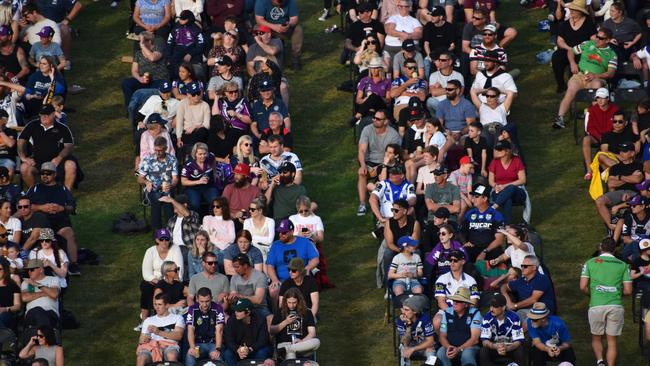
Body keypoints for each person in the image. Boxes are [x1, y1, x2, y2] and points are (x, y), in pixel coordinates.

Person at [580, 237, 632, 366]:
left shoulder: (590, 263)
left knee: (596, 338)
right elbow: (628, 291)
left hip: (596, 304)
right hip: (615, 305)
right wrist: (617, 293)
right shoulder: (623, 265)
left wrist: (592, 294)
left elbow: (582, 287)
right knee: (612, 341)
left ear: (600, 248)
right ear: (614, 250)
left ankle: (600, 361)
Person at [552, 28, 617, 129]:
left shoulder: (612, 54)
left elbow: (610, 73)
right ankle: (560, 119)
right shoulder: (587, 44)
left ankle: (597, 119)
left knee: (597, 87)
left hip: (596, 78)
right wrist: (572, 63)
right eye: (597, 36)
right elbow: (571, 51)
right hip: (580, 75)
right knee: (571, 90)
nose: (597, 39)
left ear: (608, 40)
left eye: (601, 38)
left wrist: (596, 76)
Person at [26, 161, 79, 275]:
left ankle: (73, 264)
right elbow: (26, 206)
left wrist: (62, 208)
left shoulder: (62, 189)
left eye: (48, 173)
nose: (45, 175)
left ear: (55, 174)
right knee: (36, 234)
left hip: (59, 219)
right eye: (42, 173)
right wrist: (42, 207)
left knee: (69, 234)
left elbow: (73, 207)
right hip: (40, 220)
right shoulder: (35, 188)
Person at [18, 104, 76, 190]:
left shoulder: (62, 128)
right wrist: (23, 157)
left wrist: (59, 158)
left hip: (57, 160)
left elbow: (69, 146)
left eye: (46, 115)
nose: (43, 117)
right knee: (24, 168)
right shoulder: (32, 125)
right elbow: (21, 141)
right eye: (41, 115)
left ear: (53, 114)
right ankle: (34, 192)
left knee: (71, 165)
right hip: (38, 161)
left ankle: (66, 195)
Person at [357, 109, 401, 216]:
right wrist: (363, 165)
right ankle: (362, 203)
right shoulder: (367, 130)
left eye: (378, 119)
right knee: (362, 173)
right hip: (369, 161)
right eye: (374, 118)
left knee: (380, 180)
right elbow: (361, 150)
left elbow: (393, 155)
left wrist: (381, 166)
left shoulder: (393, 135)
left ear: (385, 121)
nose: (374, 120)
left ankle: (377, 195)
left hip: (386, 162)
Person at [138, 228, 184, 324]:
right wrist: (155, 280)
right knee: (146, 286)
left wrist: (164, 280)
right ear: (157, 240)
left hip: (171, 279)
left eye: (166, 239)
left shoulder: (175, 249)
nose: (164, 242)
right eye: (161, 239)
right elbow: (146, 273)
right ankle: (144, 320)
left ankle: (160, 317)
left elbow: (179, 270)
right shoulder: (150, 251)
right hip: (155, 281)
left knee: (165, 287)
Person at [266, 219, 319, 299]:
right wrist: (274, 280)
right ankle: (277, 311)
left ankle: (305, 309)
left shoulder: (304, 242)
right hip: (282, 280)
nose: (280, 234)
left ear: (291, 232)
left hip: (300, 277)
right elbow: (270, 266)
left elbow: (315, 259)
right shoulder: (276, 245)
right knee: (273, 290)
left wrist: (307, 268)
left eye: (283, 233)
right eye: (279, 232)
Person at [552, 1, 597, 93]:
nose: (571, 11)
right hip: (567, 49)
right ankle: (561, 84)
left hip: (583, 51)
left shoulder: (589, 23)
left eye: (574, 9)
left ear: (581, 11)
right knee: (556, 57)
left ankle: (580, 84)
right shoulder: (565, 24)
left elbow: (593, 40)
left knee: (584, 60)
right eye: (571, 9)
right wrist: (569, 49)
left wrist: (583, 48)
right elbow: (559, 41)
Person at [137, 136, 178, 230]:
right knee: (156, 198)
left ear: (166, 149)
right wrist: (147, 182)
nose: (157, 153)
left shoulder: (172, 160)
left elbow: (175, 179)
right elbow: (139, 179)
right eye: (156, 150)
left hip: (167, 189)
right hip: (153, 189)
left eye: (160, 150)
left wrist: (170, 185)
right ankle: (157, 231)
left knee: (167, 200)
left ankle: (170, 231)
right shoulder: (148, 160)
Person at [502, 254, 556, 324]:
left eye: (525, 266)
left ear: (534, 268)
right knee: (510, 319)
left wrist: (515, 306)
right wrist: (507, 300)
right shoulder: (521, 281)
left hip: (541, 311)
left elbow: (533, 299)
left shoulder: (542, 279)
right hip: (524, 310)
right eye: (522, 266)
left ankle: (518, 333)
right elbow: (503, 287)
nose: (522, 268)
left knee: (528, 322)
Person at [121, 32, 169, 109]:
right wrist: (139, 78)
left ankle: (161, 110)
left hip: (158, 80)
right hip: (143, 80)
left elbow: (152, 58)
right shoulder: (138, 53)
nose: (138, 43)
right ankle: (131, 107)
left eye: (141, 41)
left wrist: (143, 45)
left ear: (149, 41)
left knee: (161, 88)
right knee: (126, 83)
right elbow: (134, 71)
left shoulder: (158, 48)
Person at [271, 288, 320, 360]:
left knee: (317, 342)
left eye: (294, 302)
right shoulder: (280, 311)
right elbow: (271, 330)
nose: (291, 305)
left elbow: (312, 333)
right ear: (285, 301)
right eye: (289, 302)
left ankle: (288, 349)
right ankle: (289, 350)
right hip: (285, 343)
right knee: (291, 354)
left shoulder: (307, 312)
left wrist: (302, 341)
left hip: (302, 345)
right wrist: (286, 322)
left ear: (299, 301)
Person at [436, 287, 482, 366]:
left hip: (469, 347)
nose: (454, 303)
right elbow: (442, 336)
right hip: (450, 346)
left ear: (466, 304)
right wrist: (448, 347)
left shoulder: (475, 313)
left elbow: (475, 339)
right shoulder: (447, 312)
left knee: (467, 354)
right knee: (440, 352)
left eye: (458, 301)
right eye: (454, 300)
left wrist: (459, 349)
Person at [136, 294, 184, 366]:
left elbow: (178, 335)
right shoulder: (148, 320)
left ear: (167, 305)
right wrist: (143, 339)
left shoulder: (177, 318)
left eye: (160, 304)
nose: (156, 307)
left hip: (169, 346)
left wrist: (158, 332)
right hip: (152, 347)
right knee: (141, 358)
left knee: (171, 355)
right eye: (155, 304)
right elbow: (141, 339)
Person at [461, 183, 505, 261]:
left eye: (476, 197)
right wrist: (465, 242)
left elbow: (499, 240)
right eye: (473, 196)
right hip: (472, 248)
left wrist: (485, 251)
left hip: (490, 249)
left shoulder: (496, 215)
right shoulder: (469, 214)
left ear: (485, 199)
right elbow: (462, 232)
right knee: (462, 252)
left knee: (497, 252)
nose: (473, 199)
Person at [254, 0, 303, 70]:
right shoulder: (261, 1)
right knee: (257, 29)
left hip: (284, 28)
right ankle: (260, 58)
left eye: (282, 2)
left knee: (298, 29)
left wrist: (289, 24)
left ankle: (295, 59)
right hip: (268, 27)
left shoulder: (290, 1)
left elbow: (294, 18)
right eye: (278, 2)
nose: (280, 5)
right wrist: (274, 27)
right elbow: (259, 20)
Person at [582, 88, 619, 180]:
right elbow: (589, 128)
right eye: (598, 98)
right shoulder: (592, 110)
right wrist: (600, 137)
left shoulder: (615, 110)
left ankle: (612, 168)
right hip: (597, 137)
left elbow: (617, 126)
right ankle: (589, 171)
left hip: (611, 137)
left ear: (608, 98)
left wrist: (606, 138)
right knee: (586, 139)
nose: (600, 100)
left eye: (602, 98)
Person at [479, 294, 525, 366]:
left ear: (503, 307)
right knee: (483, 351)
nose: (491, 309)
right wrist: (495, 346)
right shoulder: (487, 317)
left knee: (520, 350)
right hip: (494, 348)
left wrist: (507, 348)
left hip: (510, 348)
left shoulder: (514, 317)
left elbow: (518, 341)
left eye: (495, 307)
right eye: (491, 306)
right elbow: (484, 341)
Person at [223, 298, 271, 365]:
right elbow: (228, 339)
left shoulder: (260, 319)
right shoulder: (232, 320)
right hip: (239, 350)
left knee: (262, 352)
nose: (236, 312)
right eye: (235, 310)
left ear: (248, 312)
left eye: (239, 311)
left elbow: (263, 339)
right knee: (228, 354)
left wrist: (250, 349)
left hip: (255, 349)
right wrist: (238, 349)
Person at [488, 140, 526, 224]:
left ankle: (494, 206)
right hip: (498, 190)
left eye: (500, 149)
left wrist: (504, 186)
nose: (497, 151)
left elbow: (522, 180)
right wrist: (496, 186)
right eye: (496, 149)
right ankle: (507, 225)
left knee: (511, 187)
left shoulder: (516, 160)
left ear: (507, 151)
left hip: (516, 192)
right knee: (507, 200)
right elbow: (491, 181)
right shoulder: (494, 162)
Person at [185, 287, 225, 366]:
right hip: (198, 344)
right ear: (197, 299)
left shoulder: (218, 308)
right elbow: (190, 330)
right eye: (202, 301)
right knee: (190, 355)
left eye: (207, 301)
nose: (204, 304)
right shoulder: (192, 309)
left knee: (218, 359)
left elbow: (219, 330)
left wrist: (217, 349)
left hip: (213, 344)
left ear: (211, 298)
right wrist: (192, 347)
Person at [396, 295, 437, 366]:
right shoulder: (401, 320)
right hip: (410, 345)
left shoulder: (425, 318)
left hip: (424, 346)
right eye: (403, 309)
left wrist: (413, 349)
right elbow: (405, 342)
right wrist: (408, 325)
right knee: (403, 349)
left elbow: (430, 342)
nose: (403, 313)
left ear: (415, 311)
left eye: (407, 310)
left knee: (431, 350)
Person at [180, 143, 219, 212]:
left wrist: (215, 173)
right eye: (200, 154)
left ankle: (212, 219)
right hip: (193, 188)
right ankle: (195, 220)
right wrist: (199, 181)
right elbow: (183, 182)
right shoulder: (189, 164)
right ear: (195, 154)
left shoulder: (210, 157)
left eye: (204, 153)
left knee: (214, 201)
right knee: (194, 204)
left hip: (208, 186)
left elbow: (214, 160)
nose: (203, 156)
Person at [20, 259, 59, 328]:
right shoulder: (26, 282)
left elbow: (54, 294)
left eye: (32, 270)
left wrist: (36, 284)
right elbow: (25, 298)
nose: (29, 272)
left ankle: (42, 332)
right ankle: (45, 334)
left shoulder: (53, 279)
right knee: (38, 310)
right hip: (31, 313)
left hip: (50, 312)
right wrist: (46, 293)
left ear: (41, 270)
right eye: (28, 270)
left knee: (41, 313)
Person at [175, 81, 210, 156]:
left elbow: (207, 125)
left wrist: (194, 126)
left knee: (203, 131)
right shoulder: (183, 103)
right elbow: (179, 122)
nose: (196, 96)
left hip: (199, 132)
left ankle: (192, 153)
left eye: (198, 93)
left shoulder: (205, 105)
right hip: (186, 132)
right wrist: (179, 138)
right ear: (188, 95)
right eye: (193, 94)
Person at [426, 51, 463, 117]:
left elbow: (459, 92)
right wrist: (452, 89)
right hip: (437, 104)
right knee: (430, 101)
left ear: (450, 62)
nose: (440, 62)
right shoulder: (433, 75)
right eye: (439, 60)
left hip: (453, 103)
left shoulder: (458, 75)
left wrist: (440, 89)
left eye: (443, 60)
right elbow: (433, 92)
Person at [201, 196, 235, 267]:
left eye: (218, 206)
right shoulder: (207, 218)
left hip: (226, 249)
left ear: (224, 208)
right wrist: (221, 240)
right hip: (213, 247)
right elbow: (207, 235)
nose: (215, 208)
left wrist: (216, 234)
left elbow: (232, 239)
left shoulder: (230, 222)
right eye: (213, 206)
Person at [243, 197, 275, 261]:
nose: (250, 211)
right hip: (251, 251)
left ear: (260, 210)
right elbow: (246, 239)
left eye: (252, 209)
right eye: (249, 209)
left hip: (266, 251)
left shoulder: (270, 221)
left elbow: (270, 240)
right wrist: (262, 239)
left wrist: (253, 237)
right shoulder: (247, 221)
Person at [0, 257, 19, 329]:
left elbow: (17, 306)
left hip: (6, 314)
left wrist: (5, 309)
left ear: (5, 270)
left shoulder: (13, 286)